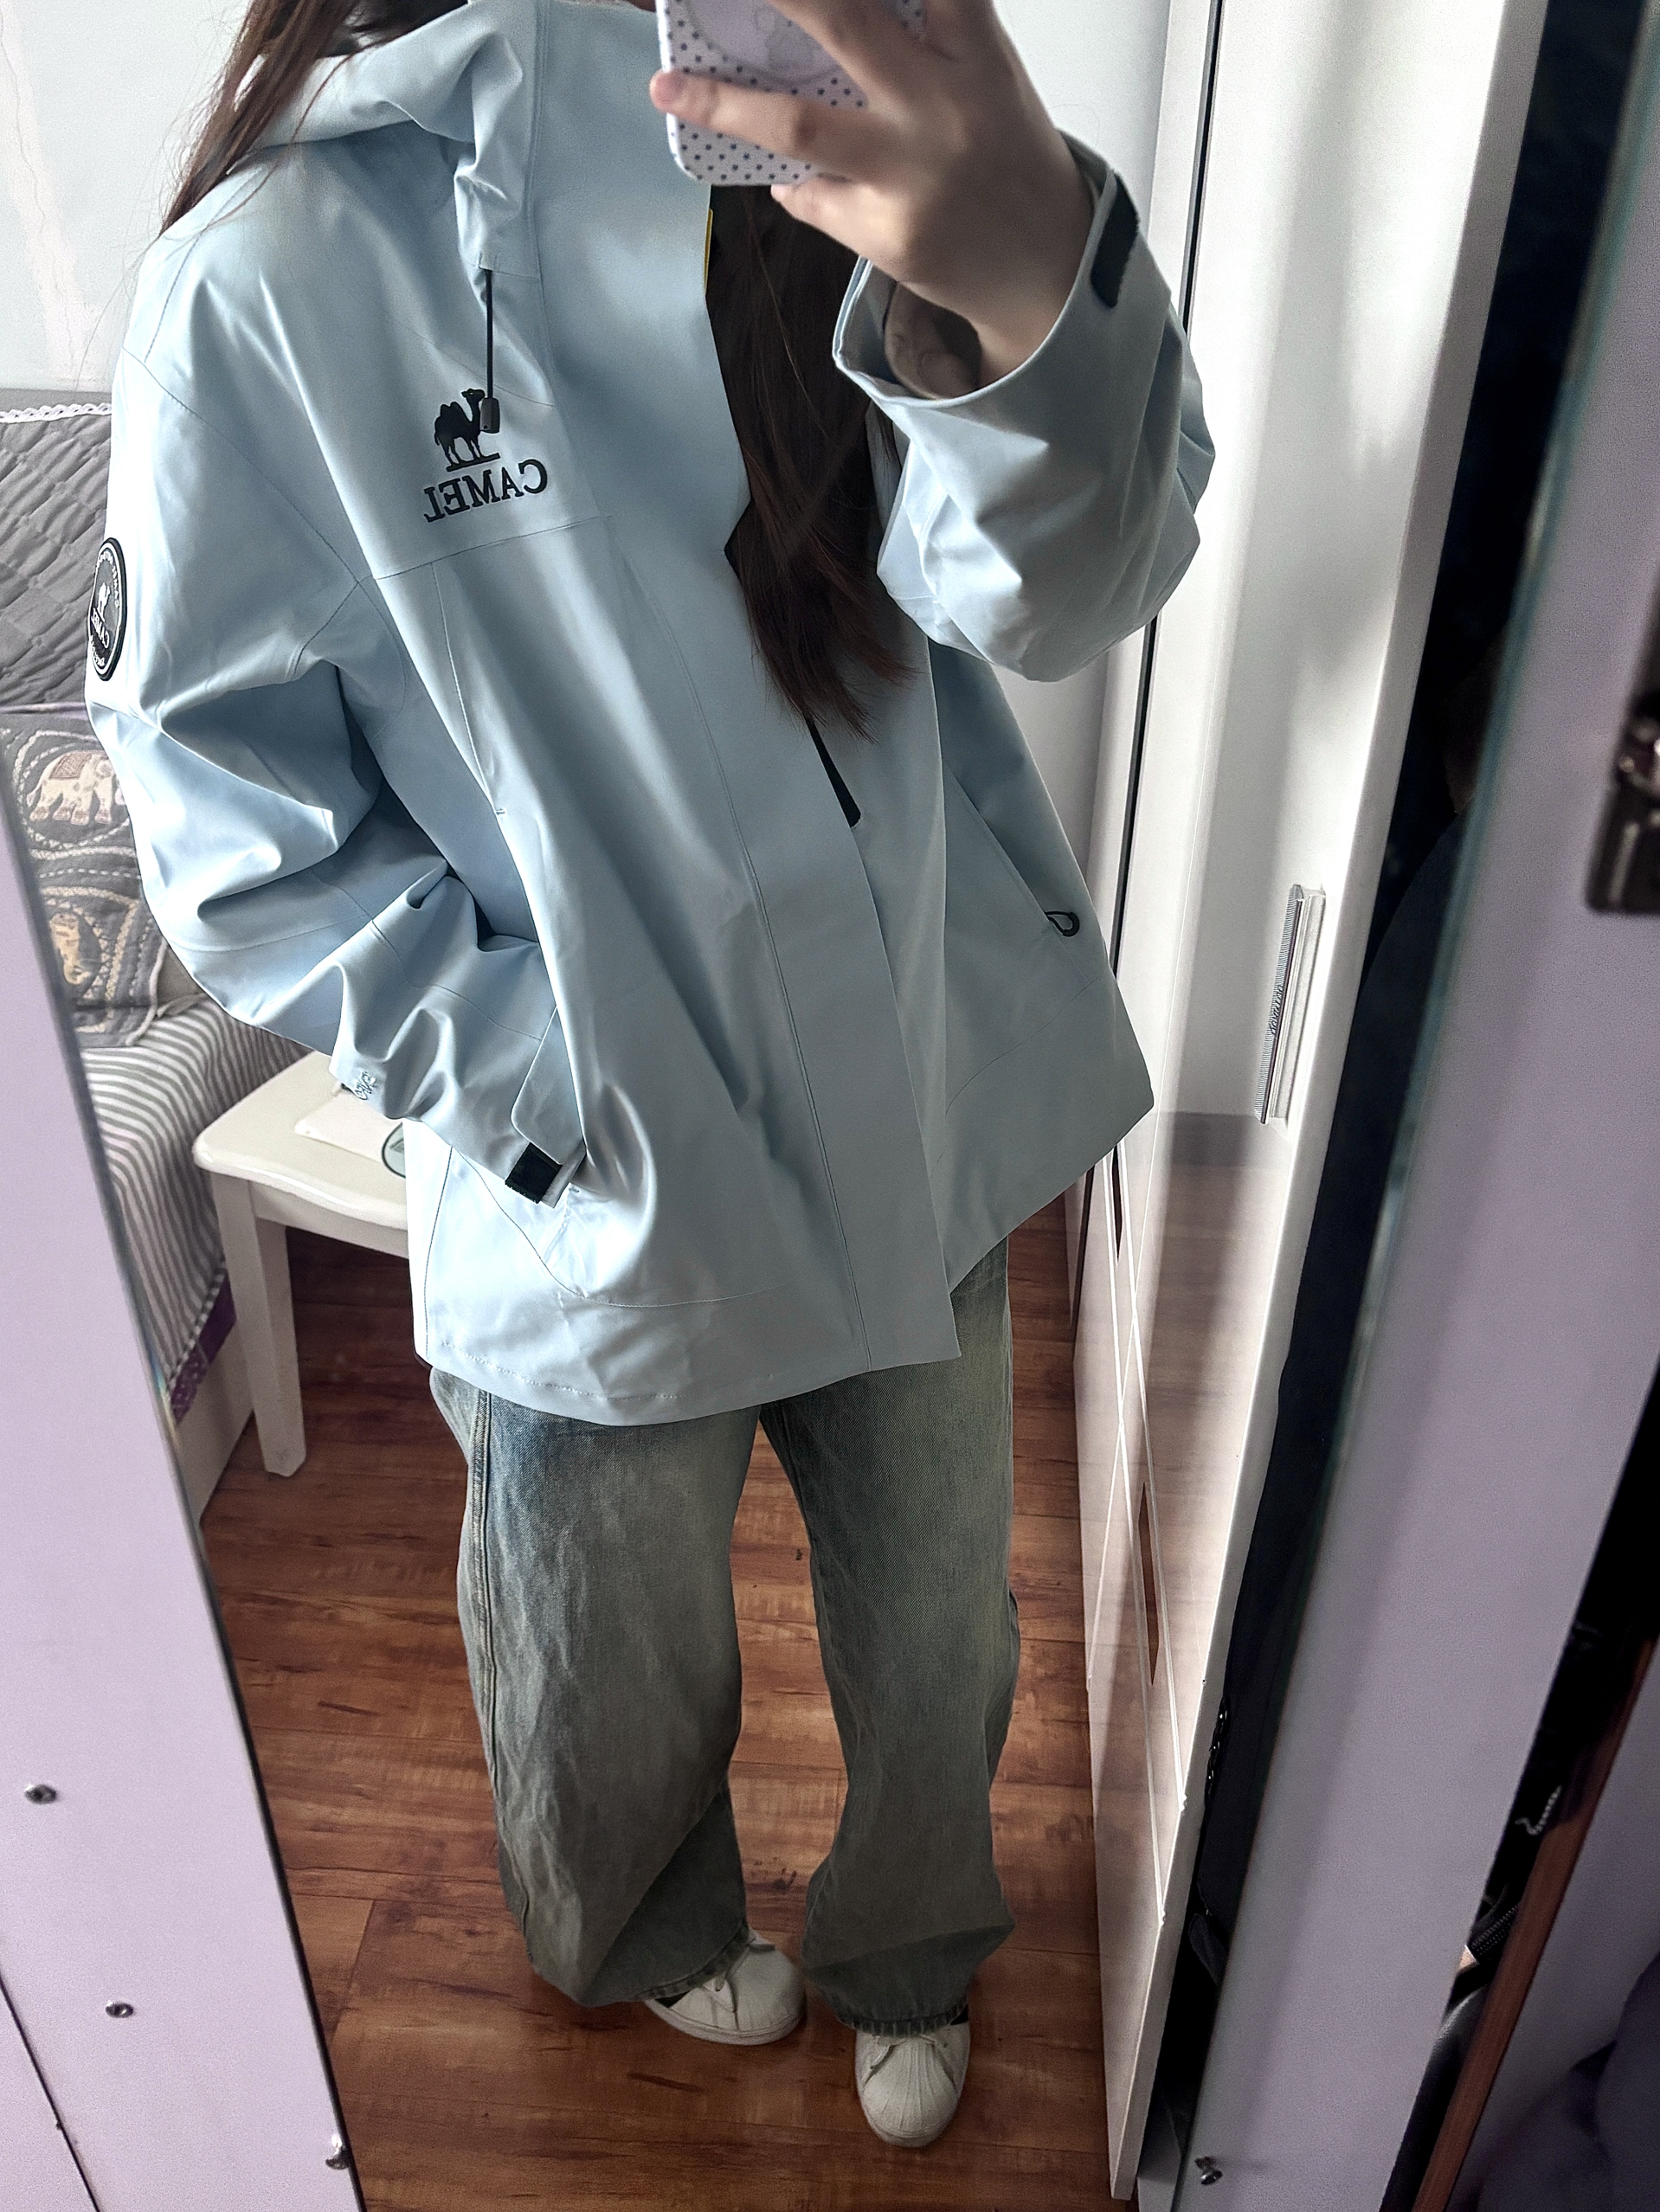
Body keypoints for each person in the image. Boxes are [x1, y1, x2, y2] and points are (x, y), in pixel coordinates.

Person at [88, 0, 1210, 2151]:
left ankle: (910, 1945)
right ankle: (631, 1930)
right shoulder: (272, 277)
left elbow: (1066, 596)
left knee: (933, 1628)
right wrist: (543, 1076)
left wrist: (1021, 288)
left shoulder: (847, 145)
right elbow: (232, 830)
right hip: (590, 1179)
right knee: (597, 1649)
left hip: (906, 1086)